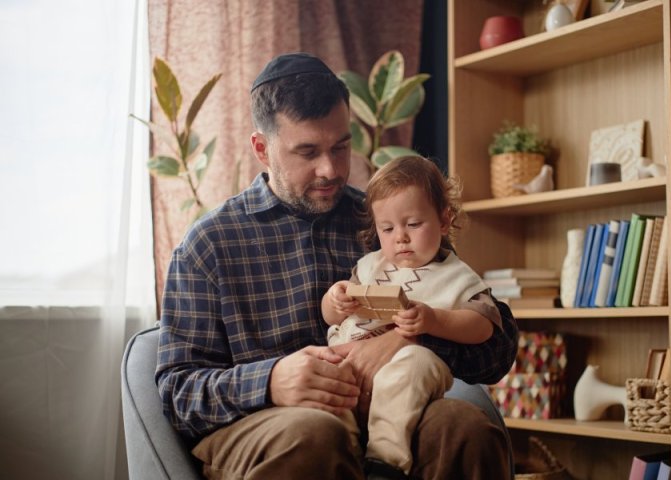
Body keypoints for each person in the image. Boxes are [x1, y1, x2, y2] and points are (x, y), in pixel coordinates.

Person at [155, 51, 518, 480]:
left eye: (341, 147)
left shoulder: (385, 220)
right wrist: (271, 380)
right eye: (307, 151)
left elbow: (498, 345)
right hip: (266, 423)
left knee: (465, 429)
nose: (329, 169)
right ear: (261, 149)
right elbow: (177, 392)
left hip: (385, 412)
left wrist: (410, 341)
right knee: (315, 433)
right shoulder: (208, 245)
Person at [322, 155, 503, 478]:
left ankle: (384, 461)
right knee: (324, 381)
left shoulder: (455, 275)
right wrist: (335, 300)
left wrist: (433, 321)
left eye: (413, 224)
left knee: (413, 367)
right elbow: (330, 316)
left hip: (409, 368)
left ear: (444, 221)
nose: (400, 237)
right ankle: (344, 453)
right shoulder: (370, 267)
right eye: (387, 228)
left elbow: (484, 326)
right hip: (347, 364)